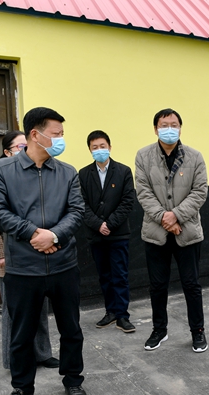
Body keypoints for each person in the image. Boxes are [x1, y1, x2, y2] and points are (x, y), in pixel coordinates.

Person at [0, 107, 87, 395]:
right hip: (23, 268)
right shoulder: (2, 170)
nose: (61, 139)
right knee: (21, 334)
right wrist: (33, 233)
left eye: (62, 134)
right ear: (35, 134)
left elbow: (77, 211)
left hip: (63, 265)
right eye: (56, 134)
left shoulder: (67, 172)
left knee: (71, 330)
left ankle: (73, 381)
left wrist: (53, 235)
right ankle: (22, 389)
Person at [0, 131, 58, 370]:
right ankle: (14, 359)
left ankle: (42, 353)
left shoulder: (36, 172)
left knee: (39, 309)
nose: (26, 149)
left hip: (36, 253)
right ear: (7, 152)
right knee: (14, 312)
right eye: (20, 146)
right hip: (10, 255)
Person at [135, 108, 208, 352]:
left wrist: (175, 215)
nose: (169, 129)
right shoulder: (143, 156)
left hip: (187, 232)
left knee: (191, 285)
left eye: (174, 125)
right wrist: (164, 218)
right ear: (155, 129)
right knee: (157, 285)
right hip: (155, 233)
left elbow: (200, 192)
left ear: (180, 128)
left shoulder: (195, 157)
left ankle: (198, 331)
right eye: (164, 125)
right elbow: (143, 192)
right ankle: (159, 330)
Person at [78, 130, 136, 333]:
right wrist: (98, 225)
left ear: (110, 147)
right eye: (94, 147)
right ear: (89, 150)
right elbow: (81, 204)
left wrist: (109, 224)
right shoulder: (83, 174)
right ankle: (110, 312)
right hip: (96, 234)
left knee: (120, 275)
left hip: (118, 233)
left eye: (102, 146)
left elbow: (127, 201)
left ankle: (122, 315)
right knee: (104, 275)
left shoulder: (123, 171)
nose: (99, 150)